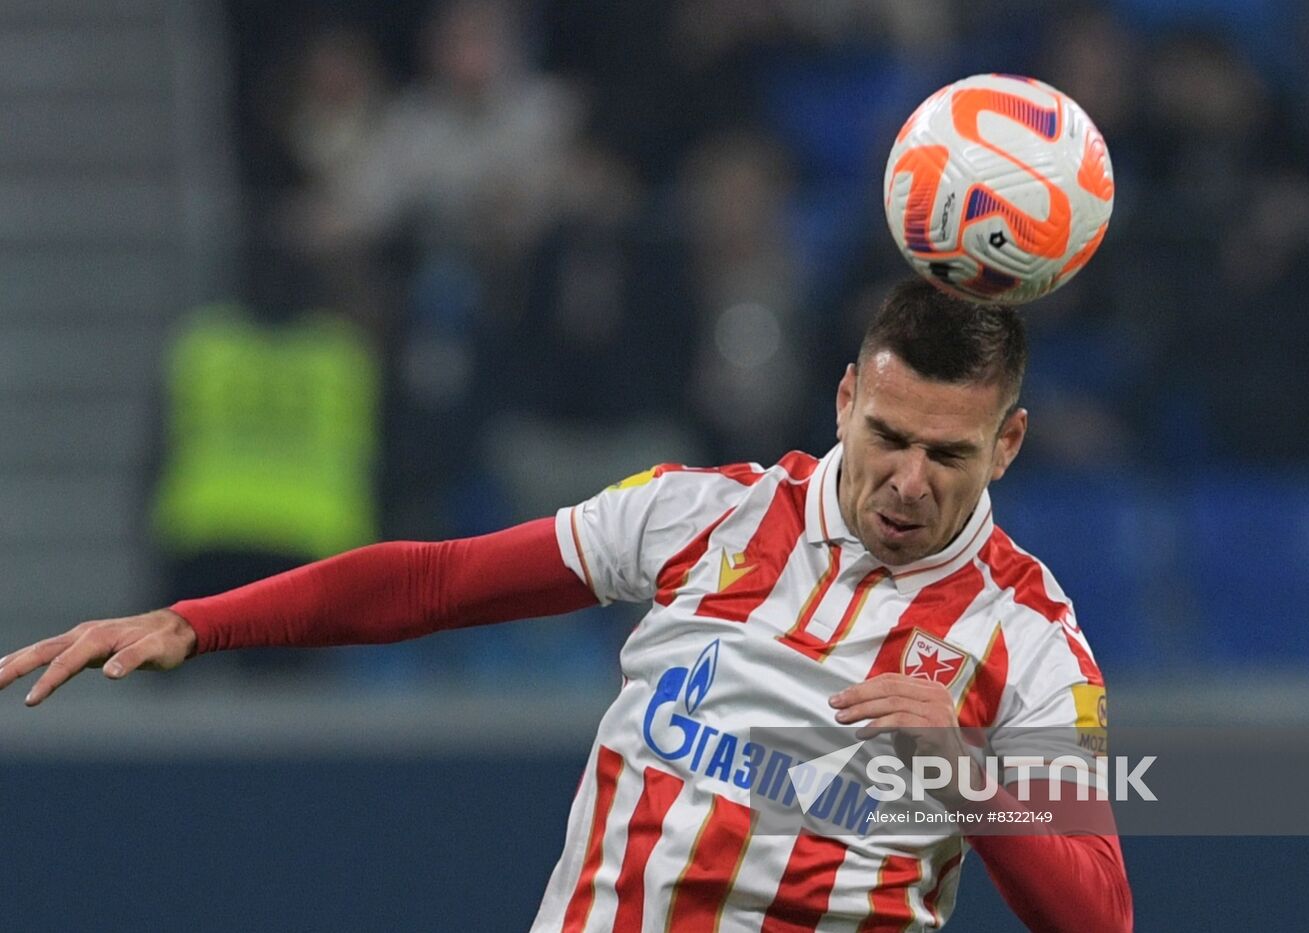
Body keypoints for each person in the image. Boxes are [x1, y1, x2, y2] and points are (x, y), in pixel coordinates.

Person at [0, 280, 1132, 931]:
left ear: (1008, 443)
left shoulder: (1032, 642)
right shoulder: (704, 518)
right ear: (844, 400)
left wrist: (967, 774)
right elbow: (436, 581)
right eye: (886, 436)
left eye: (947, 454)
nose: (906, 480)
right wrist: (201, 621)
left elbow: (1099, 917)